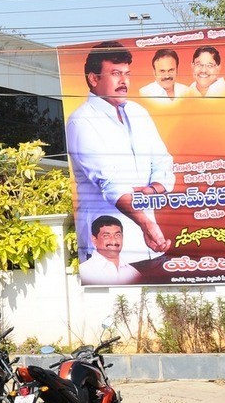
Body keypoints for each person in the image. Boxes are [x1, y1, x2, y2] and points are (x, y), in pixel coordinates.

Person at [66, 41, 174, 270]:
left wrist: (152, 189)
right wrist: (145, 223)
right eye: (115, 74)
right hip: (108, 256)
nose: (124, 81)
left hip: (151, 245)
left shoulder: (138, 112)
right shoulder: (81, 122)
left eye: (127, 74)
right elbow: (110, 182)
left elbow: (163, 162)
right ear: (93, 79)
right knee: (118, 307)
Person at [79, 215, 140, 284]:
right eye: (106, 236)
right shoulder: (84, 272)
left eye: (117, 235)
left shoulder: (134, 273)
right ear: (94, 240)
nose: (113, 241)